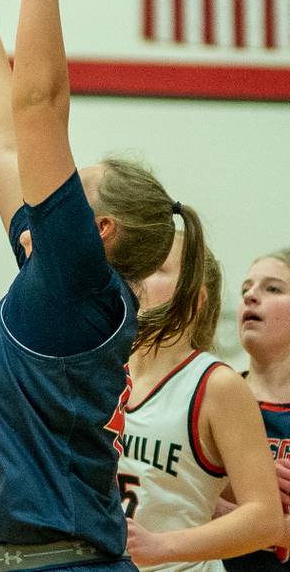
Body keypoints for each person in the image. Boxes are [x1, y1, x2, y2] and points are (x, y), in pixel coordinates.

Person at [0, 0, 207, 572]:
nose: (50, 187)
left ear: (101, 231)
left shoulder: (77, 285)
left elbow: (39, 109)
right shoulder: (55, 281)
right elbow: (6, 144)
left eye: (74, 186)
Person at [120, 235, 283, 570]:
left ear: (195, 298)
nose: (137, 275)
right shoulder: (105, 371)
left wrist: (161, 545)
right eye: (138, 264)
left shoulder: (216, 384)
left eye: (157, 267)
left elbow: (266, 519)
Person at [219, 249, 290, 572]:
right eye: (246, 288)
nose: (250, 296)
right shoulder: (213, 396)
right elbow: (188, 504)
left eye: (272, 288)